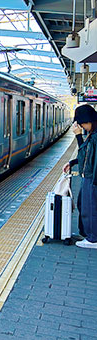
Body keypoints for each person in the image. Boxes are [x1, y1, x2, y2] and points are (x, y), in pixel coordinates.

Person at [63, 104, 97, 248]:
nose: (82, 127)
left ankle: (93, 239)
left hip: (92, 178)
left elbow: (85, 156)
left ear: (89, 121)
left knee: (90, 207)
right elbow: (85, 156)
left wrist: (77, 136)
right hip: (89, 176)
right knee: (84, 205)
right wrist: (73, 162)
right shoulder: (93, 134)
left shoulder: (95, 136)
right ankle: (90, 235)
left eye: (83, 124)